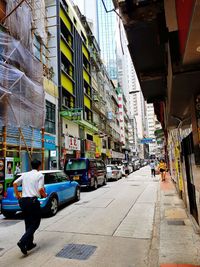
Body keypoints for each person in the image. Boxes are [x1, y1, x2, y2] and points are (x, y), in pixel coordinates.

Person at [13, 159, 47, 255]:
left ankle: (29, 244)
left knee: (28, 223)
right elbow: (40, 189)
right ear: (39, 166)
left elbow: (15, 183)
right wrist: (45, 195)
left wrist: (18, 196)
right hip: (32, 201)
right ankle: (22, 241)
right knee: (35, 223)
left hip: (23, 201)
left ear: (31, 166)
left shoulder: (25, 174)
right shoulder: (40, 175)